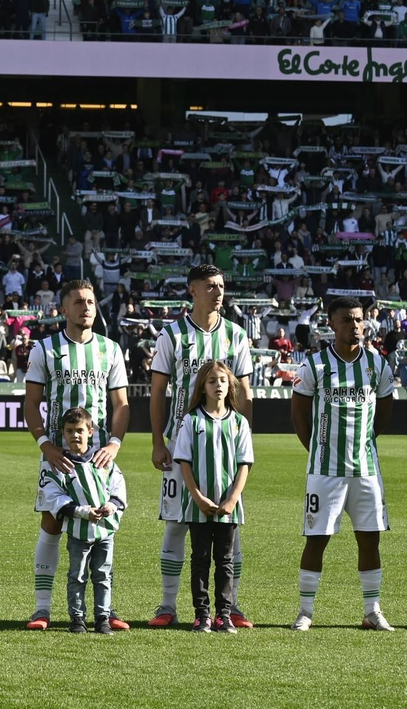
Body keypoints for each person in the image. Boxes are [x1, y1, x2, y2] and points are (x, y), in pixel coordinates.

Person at [148, 264, 254, 628]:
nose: (218, 291)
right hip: (181, 445)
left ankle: (231, 605)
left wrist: (244, 439)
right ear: (192, 290)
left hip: (226, 447)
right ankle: (167, 605)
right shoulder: (172, 334)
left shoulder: (236, 334)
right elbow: (158, 391)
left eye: (221, 285)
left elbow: (245, 392)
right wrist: (158, 441)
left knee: (229, 525)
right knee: (176, 523)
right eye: (210, 286)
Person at [22, 280, 130, 630]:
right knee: (52, 523)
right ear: (63, 309)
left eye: (91, 302)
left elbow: (121, 404)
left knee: (102, 528)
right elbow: (31, 403)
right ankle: (42, 609)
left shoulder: (110, 349)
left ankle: (104, 608)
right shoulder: (45, 348)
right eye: (79, 302)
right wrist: (45, 445)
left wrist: (114, 444)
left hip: (98, 457)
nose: (86, 308)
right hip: (59, 455)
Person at [289, 296, 395, 632]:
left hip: (366, 471)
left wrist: (365, 442)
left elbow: (384, 411)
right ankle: (305, 612)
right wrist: (318, 449)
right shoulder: (315, 365)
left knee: (370, 539)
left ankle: (372, 611)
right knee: (316, 539)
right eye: (347, 320)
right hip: (325, 471)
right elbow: (299, 415)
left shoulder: (377, 365)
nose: (355, 326)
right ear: (331, 324)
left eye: (359, 320)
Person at [173, 361, 254, 634]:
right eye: (211, 381)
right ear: (202, 387)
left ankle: (224, 615)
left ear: (230, 385)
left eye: (222, 380)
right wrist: (197, 497)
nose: (218, 385)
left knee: (225, 559)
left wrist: (232, 500)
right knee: (200, 558)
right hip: (198, 505)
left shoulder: (239, 422)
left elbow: (244, 465)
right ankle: (202, 615)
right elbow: (184, 463)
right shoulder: (191, 420)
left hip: (228, 505)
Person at [38, 407, 126, 635]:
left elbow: (118, 487)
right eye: (69, 431)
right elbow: (55, 498)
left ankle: (103, 617)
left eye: (79, 430)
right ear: (63, 434)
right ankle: (77, 618)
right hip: (78, 532)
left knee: (103, 575)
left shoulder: (103, 461)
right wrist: (82, 512)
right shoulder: (61, 465)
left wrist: (112, 505)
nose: (75, 435)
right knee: (77, 576)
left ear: (90, 431)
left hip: (105, 532)